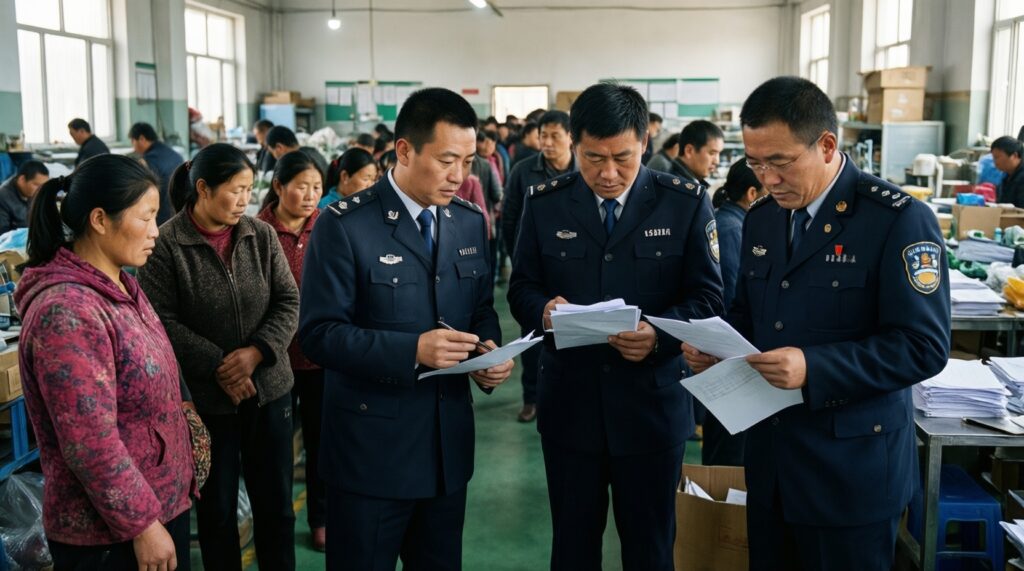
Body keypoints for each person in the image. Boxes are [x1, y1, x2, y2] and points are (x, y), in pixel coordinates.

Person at [682, 76, 950, 570]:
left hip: (850, 474)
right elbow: (750, 313)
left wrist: (814, 367)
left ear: (826, 146)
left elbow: (923, 346)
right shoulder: (763, 218)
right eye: (755, 164)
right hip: (772, 464)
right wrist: (716, 346)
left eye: (780, 162)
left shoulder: (895, 219)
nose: (768, 179)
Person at [507, 83, 724, 571]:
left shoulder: (685, 202)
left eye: (622, 158)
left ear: (644, 142)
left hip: (652, 410)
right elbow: (521, 288)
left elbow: (709, 297)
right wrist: (543, 311)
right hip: (570, 407)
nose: (608, 173)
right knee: (572, 547)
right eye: (593, 158)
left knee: (650, 548)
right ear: (575, 145)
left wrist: (660, 337)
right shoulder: (545, 203)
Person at [298, 87, 514, 571]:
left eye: (468, 162)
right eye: (446, 161)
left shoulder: (467, 221)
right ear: (404, 150)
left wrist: (489, 351)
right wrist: (413, 350)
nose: (459, 176)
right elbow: (319, 334)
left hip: (445, 453)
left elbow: (480, 308)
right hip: (371, 457)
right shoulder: (345, 226)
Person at [16, 154, 196, 570]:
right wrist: (142, 524)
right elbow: (89, 441)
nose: (156, 230)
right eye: (145, 217)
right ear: (99, 219)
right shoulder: (67, 311)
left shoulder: (121, 284)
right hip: (112, 535)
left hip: (157, 506)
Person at [139, 143, 300, 571]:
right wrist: (219, 364)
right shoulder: (166, 244)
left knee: (276, 507)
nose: (245, 199)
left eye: (249, 189)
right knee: (217, 511)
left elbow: (288, 301)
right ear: (203, 188)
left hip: (270, 392)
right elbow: (159, 320)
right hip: (209, 402)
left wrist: (257, 352)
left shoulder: (260, 235)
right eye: (236, 190)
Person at [257, 150, 328, 551]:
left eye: (317, 186)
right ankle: (278, 523)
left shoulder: (329, 227)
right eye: (302, 186)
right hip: (272, 361)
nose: (310, 195)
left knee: (321, 444)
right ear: (279, 186)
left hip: (319, 358)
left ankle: (321, 518)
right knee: (275, 450)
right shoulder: (256, 231)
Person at [502, 109, 576, 423]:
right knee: (533, 337)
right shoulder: (524, 170)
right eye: (543, 135)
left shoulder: (583, 170)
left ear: (570, 137)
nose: (547, 142)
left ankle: (570, 397)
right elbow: (509, 218)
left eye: (554, 136)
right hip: (535, 269)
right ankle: (531, 398)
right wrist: (519, 261)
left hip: (571, 269)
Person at [701, 160, 765, 467]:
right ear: (752, 193)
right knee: (727, 458)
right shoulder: (733, 230)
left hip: (731, 357)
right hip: (731, 359)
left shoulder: (733, 222)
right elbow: (731, 299)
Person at [129, 122, 184, 225]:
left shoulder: (149, 160)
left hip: (162, 216)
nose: (133, 147)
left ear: (141, 139)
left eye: (132, 141)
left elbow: (142, 192)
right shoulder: (173, 153)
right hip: (179, 210)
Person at [669, 119, 725, 189]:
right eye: (712, 153)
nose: (717, 161)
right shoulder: (677, 188)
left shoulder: (689, 184)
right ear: (689, 151)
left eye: (719, 154)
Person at [0, 160, 48, 234]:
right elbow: (3, 234)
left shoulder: (32, 192)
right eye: (36, 185)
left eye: (43, 186)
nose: (40, 190)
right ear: (22, 179)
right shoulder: (3, 198)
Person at [992, 136, 1024, 206]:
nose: (995, 162)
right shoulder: (1006, 176)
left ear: (1014, 156)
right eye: (994, 158)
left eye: (997, 157)